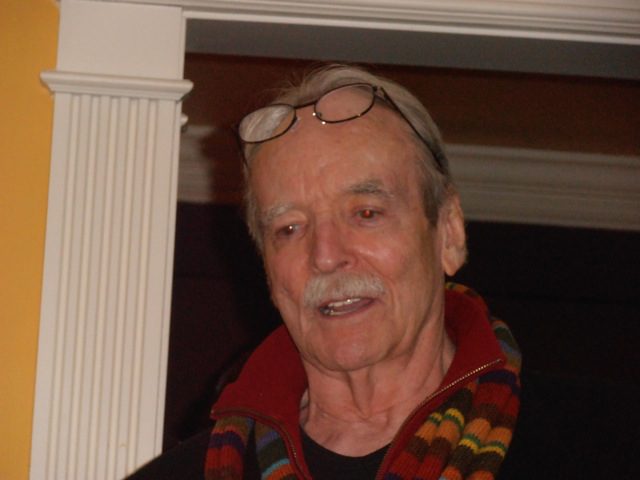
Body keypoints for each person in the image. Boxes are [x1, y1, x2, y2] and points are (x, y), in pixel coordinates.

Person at [127, 64, 638, 480]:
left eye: (366, 213)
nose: (326, 256)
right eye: (289, 228)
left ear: (448, 233)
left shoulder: (611, 441)